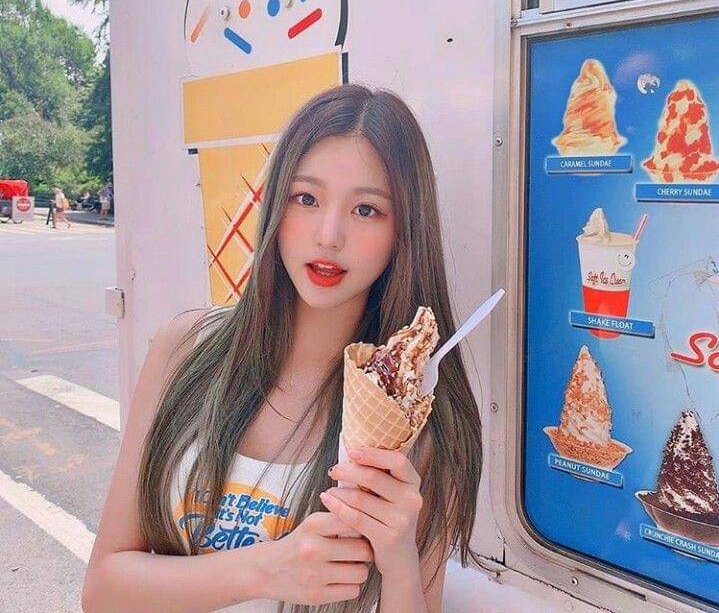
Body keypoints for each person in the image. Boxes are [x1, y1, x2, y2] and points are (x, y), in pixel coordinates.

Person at [81, 85, 483, 613]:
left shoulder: (425, 422)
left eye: (366, 209)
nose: (329, 235)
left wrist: (399, 561)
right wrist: (267, 570)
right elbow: (104, 591)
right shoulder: (185, 348)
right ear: (276, 204)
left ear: (404, 231)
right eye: (307, 198)